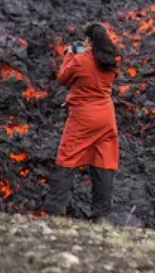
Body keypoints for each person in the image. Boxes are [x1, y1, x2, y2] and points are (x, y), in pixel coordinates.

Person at [44, 23, 120, 222]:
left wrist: (70, 54)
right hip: (106, 117)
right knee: (104, 161)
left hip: (83, 117)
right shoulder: (111, 60)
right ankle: (101, 216)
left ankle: (54, 210)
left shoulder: (80, 60)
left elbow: (62, 78)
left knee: (67, 157)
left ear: (88, 41)